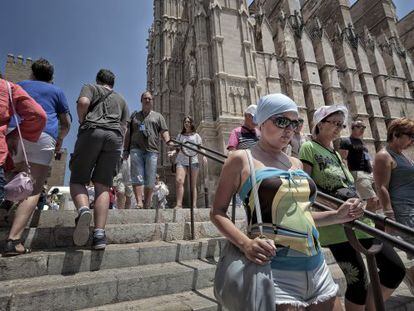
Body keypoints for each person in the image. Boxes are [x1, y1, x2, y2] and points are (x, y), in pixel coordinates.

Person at [211, 93, 366, 310]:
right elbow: (217, 212)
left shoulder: (295, 162)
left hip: (317, 265)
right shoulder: (241, 159)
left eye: (295, 123)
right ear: (262, 121)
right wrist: (246, 244)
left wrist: (338, 215)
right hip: (275, 271)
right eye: (281, 121)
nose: (289, 129)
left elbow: (301, 214)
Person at [299, 105, 405, 311]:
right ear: (320, 124)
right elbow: (306, 188)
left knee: (394, 269)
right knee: (357, 281)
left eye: (342, 124)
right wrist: (334, 206)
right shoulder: (308, 148)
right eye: (334, 123)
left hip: (359, 220)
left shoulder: (337, 154)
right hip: (336, 226)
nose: (339, 128)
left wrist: (366, 204)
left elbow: (346, 187)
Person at [4, 59, 71, 256]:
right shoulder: (57, 91)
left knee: (13, 178)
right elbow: (66, 122)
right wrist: (60, 139)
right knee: (33, 189)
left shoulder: (20, 86)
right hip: (44, 136)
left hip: (18, 135)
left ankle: (6, 207)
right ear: (51, 77)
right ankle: (13, 239)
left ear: (32, 73)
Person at [69, 69, 129, 250]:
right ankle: (99, 235)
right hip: (115, 138)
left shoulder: (90, 87)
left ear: (98, 80)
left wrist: (82, 121)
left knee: (78, 179)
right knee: (103, 185)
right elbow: (124, 127)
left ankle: (83, 210)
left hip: (92, 131)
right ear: (112, 83)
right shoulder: (121, 100)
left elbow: (83, 102)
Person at [0, 77, 47, 255]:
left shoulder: (19, 84)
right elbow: (38, 115)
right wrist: (14, 135)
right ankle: (13, 238)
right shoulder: (7, 86)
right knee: (30, 186)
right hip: (36, 140)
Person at [373, 117, 414, 295]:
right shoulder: (384, 155)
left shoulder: (402, 154)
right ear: (396, 133)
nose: (412, 141)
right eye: (410, 136)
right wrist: (389, 215)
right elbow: (381, 186)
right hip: (402, 210)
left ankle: (412, 279)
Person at [123, 91, 173, 209]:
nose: (147, 100)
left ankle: (147, 202)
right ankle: (139, 202)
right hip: (135, 149)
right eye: (145, 98)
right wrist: (125, 150)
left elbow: (164, 130)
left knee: (150, 178)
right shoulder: (135, 116)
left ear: (152, 101)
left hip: (152, 150)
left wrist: (168, 141)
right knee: (137, 176)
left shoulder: (158, 116)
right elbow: (128, 133)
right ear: (141, 101)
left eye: (149, 99)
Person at [338, 120, 378, 212]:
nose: (363, 129)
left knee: (378, 200)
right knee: (372, 200)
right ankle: (368, 222)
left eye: (364, 127)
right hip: (358, 173)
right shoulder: (346, 141)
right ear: (353, 127)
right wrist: (348, 177)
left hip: (369, 173)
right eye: (360, 126)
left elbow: (366, 157)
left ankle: (365, 219)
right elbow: (343, 159)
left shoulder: (361, 142)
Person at [168, 116, 206, 209]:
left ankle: (194, 205)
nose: (186, 123)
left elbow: (200, 147)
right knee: (179, 181)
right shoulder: (180, 136)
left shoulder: (196, 136)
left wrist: (204, 156)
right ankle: (179, 204)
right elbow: (178, 148)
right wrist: (173, 152)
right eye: (185, 122)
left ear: (191, 123)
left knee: (193, 184)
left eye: (188, 122)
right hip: (181, 160)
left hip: (193, 160)